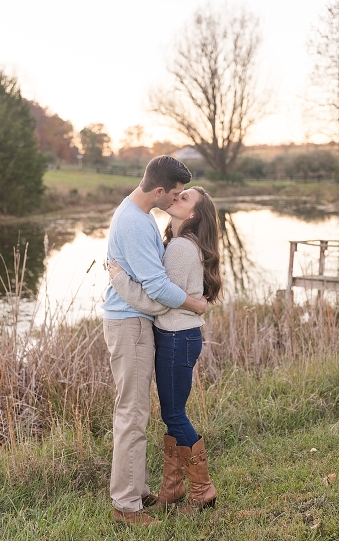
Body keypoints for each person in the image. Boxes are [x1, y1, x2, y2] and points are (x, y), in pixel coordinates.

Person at [102, 156, 207, 526]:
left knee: (136, 412)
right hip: (128, 323)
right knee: (131, 413)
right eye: (175, 193)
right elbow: (159, 289)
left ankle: (135, 488)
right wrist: (193, 303)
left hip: (136, 321)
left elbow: (153, 285)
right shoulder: (134, 222)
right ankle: (126, 506)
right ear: (159, 190)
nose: (176, 199)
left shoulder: (142, 215)